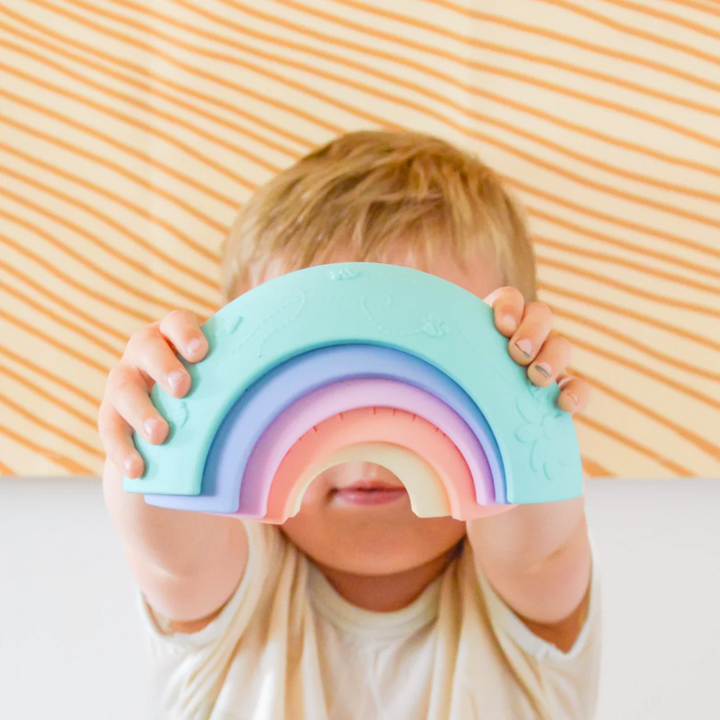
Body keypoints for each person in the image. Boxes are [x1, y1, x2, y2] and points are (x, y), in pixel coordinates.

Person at [99, 130, 600, 720]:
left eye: (423, 382)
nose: (372, 445)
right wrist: (161, 424)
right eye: (312, 381)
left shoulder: (521, 598)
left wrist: (528, 405)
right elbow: (171, 546)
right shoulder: (234, 588)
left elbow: (538, 543)